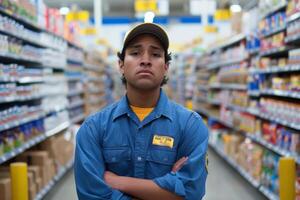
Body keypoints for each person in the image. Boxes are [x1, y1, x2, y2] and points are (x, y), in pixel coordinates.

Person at [74, 22, 209, 200]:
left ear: (166, 66)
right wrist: (168, 193)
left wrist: (119, 182)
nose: (145, 60)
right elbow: (91, 195)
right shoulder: (93, 128)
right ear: (121, 64)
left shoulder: (191, 125)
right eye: (135, 53)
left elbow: (192, 191)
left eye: (155, 54)